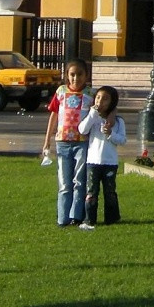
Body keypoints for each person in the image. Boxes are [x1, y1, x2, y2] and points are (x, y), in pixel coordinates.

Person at [42, 59, 94, 225]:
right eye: (72, 74)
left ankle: (76, 216)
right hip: (62, 142)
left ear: (86, 76)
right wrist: (47, 140)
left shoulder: (90, 95)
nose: (75, 78)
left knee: (79, 181)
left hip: (82, 142)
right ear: (67, 76)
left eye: (80, 74)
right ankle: (62, 218)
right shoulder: (61, 92)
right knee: (64, 182)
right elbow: (54, 115)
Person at [78, 86, 126, 228]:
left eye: (105, 99)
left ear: (112, 102)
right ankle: (89, 219)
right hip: (93, 162)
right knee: (91, 191)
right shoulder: (93, 118)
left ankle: (112, 218)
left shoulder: (118, 121)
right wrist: (93, 114)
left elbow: (122, 140)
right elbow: (82, 129)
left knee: (110, 191)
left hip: (110, 162)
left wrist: (111, 133)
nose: (101, 101)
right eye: (98, 97)